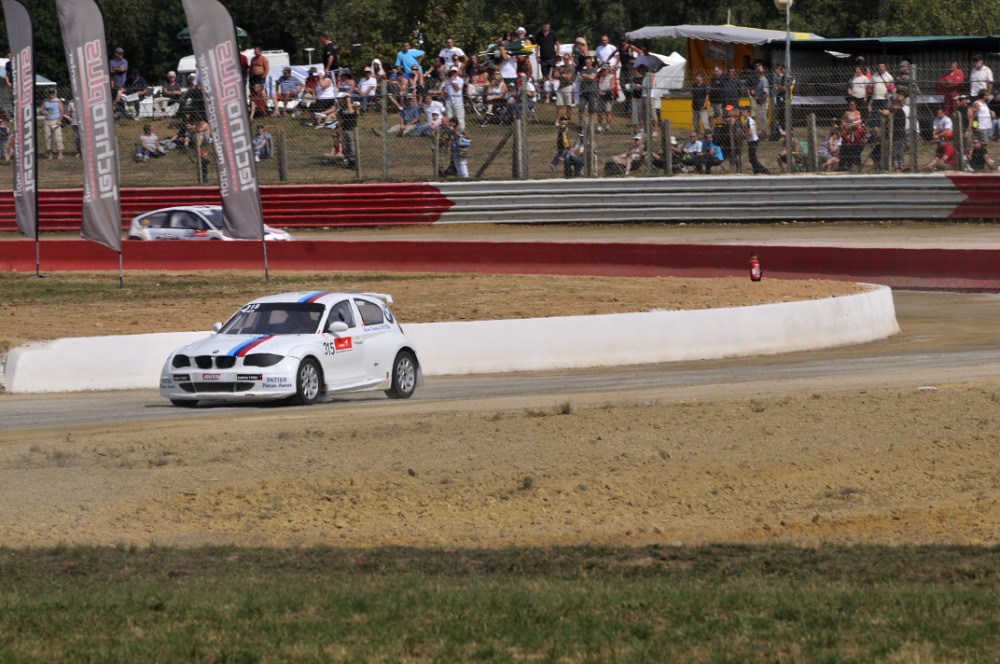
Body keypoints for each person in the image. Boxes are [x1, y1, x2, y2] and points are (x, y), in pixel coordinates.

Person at [39, 88, 65, 159]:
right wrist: (43, 112)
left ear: (55, 93)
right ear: (48, 93)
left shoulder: (58, 101)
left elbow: (62, 111)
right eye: (50, 93)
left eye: (53, 93)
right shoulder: (45, 101)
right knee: (47, 137)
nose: (51, 94)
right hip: (47, 121)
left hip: (56, 120)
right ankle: (50, 153)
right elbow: (40, 110)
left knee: (57, 137)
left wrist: (59, 120)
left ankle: (60, 153)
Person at [741, 106, 768, 175]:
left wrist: (744, 130)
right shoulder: (746, 120)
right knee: (752, 158)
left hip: (753, 141)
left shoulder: (749, 121)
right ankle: (756, 171)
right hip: (750, 141)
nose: (743, 113)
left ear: (748, 113)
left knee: (752, 158)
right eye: (743, 112)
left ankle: (763, 170)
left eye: (744, 112)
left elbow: (750, 133)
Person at [534, 22, 559, 88]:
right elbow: (536, 46)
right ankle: (546, 92)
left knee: (552, 76)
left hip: (552, 58)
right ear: (542, 26)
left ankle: (553, 92)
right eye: (545, 27)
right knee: (545, 77)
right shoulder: (539, 34)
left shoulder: (553, 33)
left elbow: (558, 45)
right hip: (543, 58)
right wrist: (537, 56)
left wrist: (556, 55)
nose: (546, 28)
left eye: (547, 27)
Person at [555, 53, 575, 125]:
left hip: (568, 87)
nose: (565, 60)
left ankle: (568, 120)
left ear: (569, 59)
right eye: (564, 59)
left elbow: (568, 78)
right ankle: (557, 121)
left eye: (566, 59)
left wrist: (560, 76)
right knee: (558, 105)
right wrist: (563, 76)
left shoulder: (571, 68)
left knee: (568, 105)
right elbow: (555, 75)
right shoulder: (560, 67)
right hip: (560, 87)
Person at [577, 56, 598, 123]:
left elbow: (592, 77)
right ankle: (581, 125)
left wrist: (584, 76)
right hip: (583, 92)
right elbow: (579, 79)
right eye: (586, 62)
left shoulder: (594, 70)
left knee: (591, 110)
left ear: (591, 62)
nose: (587, 63)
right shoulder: (582, 70)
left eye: (588, 62)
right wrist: (587, 76)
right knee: (581, 109)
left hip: (591, 91)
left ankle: (591, 124)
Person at [597, 63, 617, 132]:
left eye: (605, 69)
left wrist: (604, 90)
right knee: (599, 111)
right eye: (603, 69)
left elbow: (612, 86)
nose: (604, 71)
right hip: (600, 96)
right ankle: (599, 126)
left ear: (608, 70)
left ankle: (608, 127)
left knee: (608, 111)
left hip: (607, 95)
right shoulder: (601, 77)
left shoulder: (611, 76)